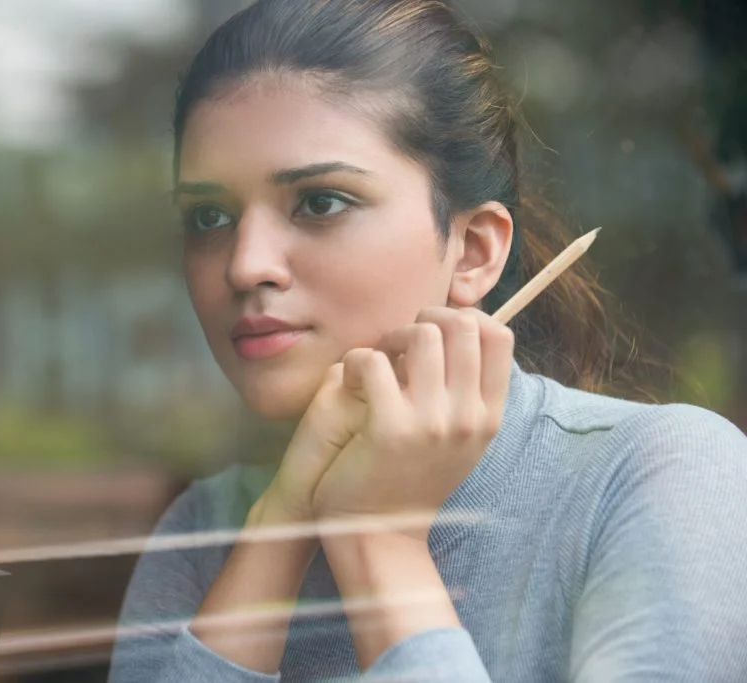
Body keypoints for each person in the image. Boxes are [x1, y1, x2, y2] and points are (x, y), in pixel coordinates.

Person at [107, 1, 747, 681]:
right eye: (209, 216)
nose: (245, 265)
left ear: (472, 251)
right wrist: (281, 526)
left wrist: (379, 539)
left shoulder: (660, 477)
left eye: (320, 202)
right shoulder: (204, 531)